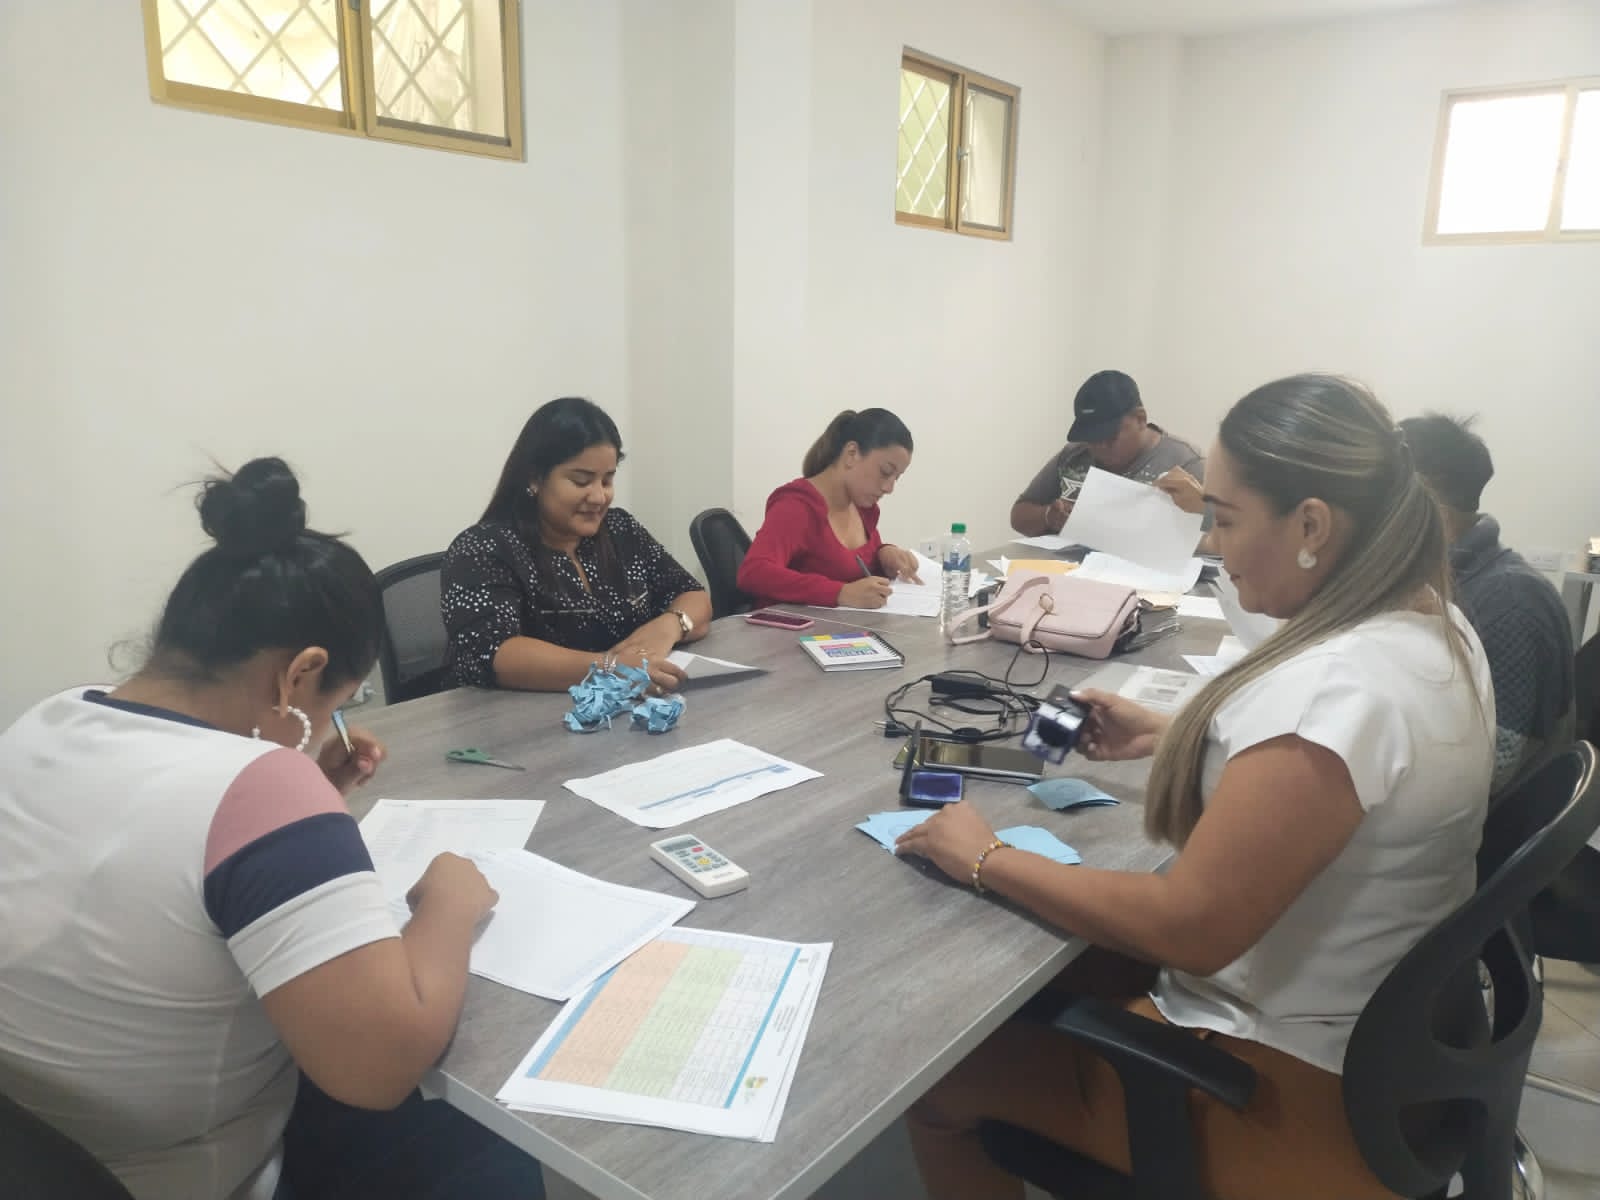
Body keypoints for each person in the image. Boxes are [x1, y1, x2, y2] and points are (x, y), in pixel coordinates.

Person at [897, 375, 1494, 1200]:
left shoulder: (1338, 688)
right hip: (1389, 1059)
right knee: (1041, 975)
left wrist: (986, 856)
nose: (1212, 541)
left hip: (1289, 1089)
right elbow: (1345, 780)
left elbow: (1190, 928)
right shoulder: (1434, 623)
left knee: (943, 1076)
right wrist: (1176, 735)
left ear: (1312, 526)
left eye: (1226, 518)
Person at [0, 458, 543, 1200]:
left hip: (42, 1146)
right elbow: (382, 1068)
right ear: (300, 674)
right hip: (173, 1173)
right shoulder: (264, 790)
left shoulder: (51, 718)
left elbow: (154, 870)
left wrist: (309, 796)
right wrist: (449, 903)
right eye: (335, 705)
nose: (330, 725)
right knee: (488, 1147)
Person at [442, 397, 711, 693]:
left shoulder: (621, 529)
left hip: (625, 706)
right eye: (582, 481)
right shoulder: (483, 548)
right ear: (535, 478)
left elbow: (693, 594)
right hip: (517, 714)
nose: (598, 497)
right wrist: (610, 668)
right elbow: (494, 652)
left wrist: (670, 626)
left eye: (607, 481)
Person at [1400, 413, 1575, 795]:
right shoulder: (1453, 579)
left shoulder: (1510, 603)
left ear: (1425, 501)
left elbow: (1495, 765)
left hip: (1490, 817)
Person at [736, 408, 924, 610]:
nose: (889, 488)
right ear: (852, 454)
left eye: (897, 478)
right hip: (791, 627)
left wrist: (884, 554)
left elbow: (857, 565)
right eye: (885, 472)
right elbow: (754, 572)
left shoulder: (862, 507)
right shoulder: (797, 507)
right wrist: (840, 593)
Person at [1011, 369, 1206, 537]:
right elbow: (1019, 515)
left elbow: (1218, 538)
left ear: (1140, 419)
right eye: (1092, 439)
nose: (1100, 447)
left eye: (1110, 438)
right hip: (1067, 565)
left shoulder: (1186, 463)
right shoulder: (1074, 454)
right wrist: (1048, 516)